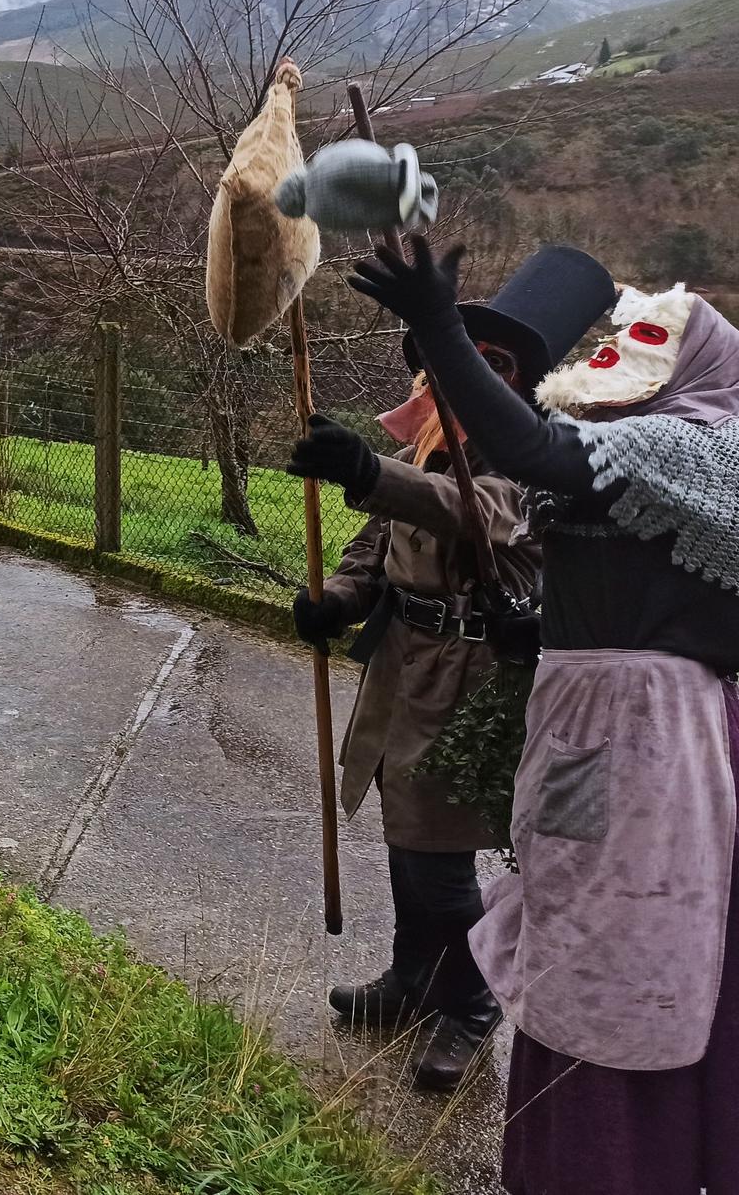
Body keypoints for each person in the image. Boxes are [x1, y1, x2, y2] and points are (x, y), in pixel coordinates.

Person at [350, 236, 739, 1194]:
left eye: (650, 336)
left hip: (645, 745)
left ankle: (612, 1160)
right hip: (584, 721)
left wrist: (438, 329)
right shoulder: (639, 450)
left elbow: (523, 454)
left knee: (617, 947)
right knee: (562, 902)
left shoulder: (692, 449)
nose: (623, 351)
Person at [289, 246, 615, 1091]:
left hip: (473, 673)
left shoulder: (536, 456)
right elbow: (382, 538)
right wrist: (341, 595)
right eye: (465, 354)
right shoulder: (439, 435)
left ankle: (468, 1003)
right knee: (406, 835)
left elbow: (482, 516)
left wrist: (370, 472)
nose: (468, 372)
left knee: (438, 857)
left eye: (497, 361)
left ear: (523, 380)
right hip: (404, 661)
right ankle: (411, 980)